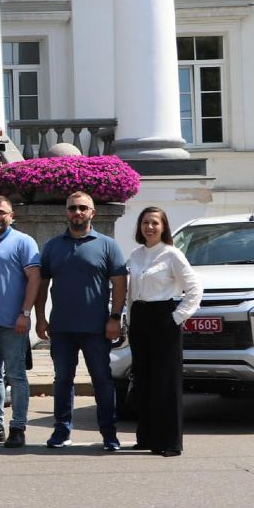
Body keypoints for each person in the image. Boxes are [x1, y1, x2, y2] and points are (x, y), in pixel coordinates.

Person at [34, 191, 128, 451]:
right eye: (73, 208)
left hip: (96, 328)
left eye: (83, 208)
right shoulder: (53, 246)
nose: (77, 212)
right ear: (66, 212)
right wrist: (40, 317)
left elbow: (120, 284)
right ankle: (61, 431)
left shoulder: (107, 245)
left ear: (92, 213)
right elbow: (41, 285)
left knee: (102, 381)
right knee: (62, 380)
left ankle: (109, 434)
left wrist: (115, 318)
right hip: (61, 328)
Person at [127, 206, 202, 457]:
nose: (149, 227)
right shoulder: (135, 255)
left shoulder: (172, 254)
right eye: (145, 222)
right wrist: (129, 320)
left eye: (155, 223)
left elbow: (195, 289)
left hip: (164, 318)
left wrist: (177, 317)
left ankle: (169, 441)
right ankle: (147, 436)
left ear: (163, 227)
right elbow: (131, 292)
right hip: (140, 318)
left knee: (165, 381)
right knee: (143, 379)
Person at [0, 196, 41, 448]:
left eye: (1, 212)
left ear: (11, 216)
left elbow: (34, 278)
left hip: (13, 323)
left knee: (16, 376)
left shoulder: (24, 241)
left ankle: (18, 427)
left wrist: (26, 313)